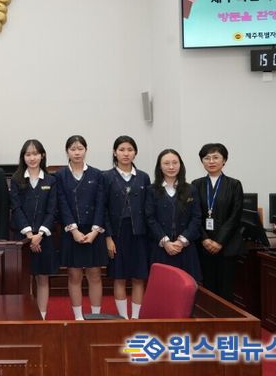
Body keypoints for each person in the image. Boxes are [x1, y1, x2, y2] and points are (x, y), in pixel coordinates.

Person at [56, 135, 106, 320]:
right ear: (67, 152)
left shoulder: (97, 174)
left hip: (94, 232)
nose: (77, 152)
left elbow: (101, 204)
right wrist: (74, 230)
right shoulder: (60, 175)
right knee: (74, 275)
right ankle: (78, 317)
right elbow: (61, 204)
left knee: (95, 275)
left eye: (80, 148)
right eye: (73, 149)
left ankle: (96, 316)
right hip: (71, 232)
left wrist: (94, 231)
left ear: (86, 150)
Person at [102, 135, 151, 319]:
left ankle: (136, 318)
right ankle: (123, 318)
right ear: (115, 152)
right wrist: (108, 237)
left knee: (139, 277)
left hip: (139, 233)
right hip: (117, 233)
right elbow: (103, 209)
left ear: (135, 153)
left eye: (130, 150)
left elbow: (148, 207)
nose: (126, 153)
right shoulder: (106, 177)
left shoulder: (143, 177)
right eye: (122, 149)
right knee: (119, 276)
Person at [10, 139, 58, 319]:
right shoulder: (16, 180)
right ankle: (27, 316)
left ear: (42, 156)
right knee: (26, 279)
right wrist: (30, 235)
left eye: (35, 154)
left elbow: (52, 210)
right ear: (23, 157)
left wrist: (40, 234)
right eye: (28, 154)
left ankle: (42, 317)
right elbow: (16, 208)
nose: (32, 158)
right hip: (23, 238)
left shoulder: (51, 180)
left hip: (44, 237)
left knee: (42, 277)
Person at [191, 143, 244, 301]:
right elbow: (194, 215)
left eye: (216, 157)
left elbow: (235, 216)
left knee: (226, 289)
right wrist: (205, 239)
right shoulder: (196, 184)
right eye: (207, 158)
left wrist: (219, 241)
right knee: (207, 288)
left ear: (224, 160)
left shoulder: (234, 184)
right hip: (203, 245)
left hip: (227, 245)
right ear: (202, 161)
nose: (211, 161)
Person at [145, 149, 202, 281]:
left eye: (175, 163)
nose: (171, 167)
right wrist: (165, 242)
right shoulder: (152, 190)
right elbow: (149, 218)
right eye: (166, 163)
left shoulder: (191, 189)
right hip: (161, 247)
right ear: (160, 166)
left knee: (187, 286)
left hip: (185, 248)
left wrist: (181, 241)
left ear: (180, 165)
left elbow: (196, 217)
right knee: (162, 285)